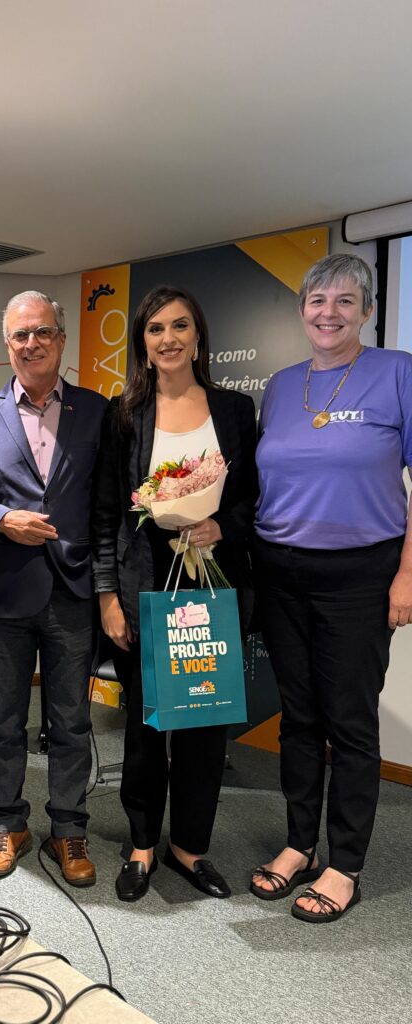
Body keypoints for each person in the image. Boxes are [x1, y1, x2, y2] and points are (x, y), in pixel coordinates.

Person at [250, 253, 412, 922]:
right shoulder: (282, 385)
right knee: (299, 716)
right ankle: (299, 844)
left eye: (346, 301)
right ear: (302, 311)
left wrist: (408, 573)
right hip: (280, 569)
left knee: (348, 720)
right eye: (318, 300)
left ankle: (344, 863)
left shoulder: (398, 372)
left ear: (367, 312)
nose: (329, 312)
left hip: (360, 573)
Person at [92, 285, 257, 902]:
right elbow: (107, 511)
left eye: (180, 325)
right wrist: (107, 597)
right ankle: (141, 843)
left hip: (214, 578)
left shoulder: (234, 410)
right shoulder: (123, 414)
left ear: (198, 335)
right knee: (145, 722)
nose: (169, 338)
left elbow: (252, 497)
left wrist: (221, 526)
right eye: (156, 328)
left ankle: (189, 846)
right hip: (145, 581)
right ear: (142, 341)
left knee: (205, 724)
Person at [0, 290, 107, 886]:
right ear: (7, 343)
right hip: (8, 593)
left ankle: (69, 828)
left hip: (73, 590)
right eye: (21, 334)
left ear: (62, 340)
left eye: (43, 332)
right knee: (3, 720)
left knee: (71, 721)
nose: (32, 343)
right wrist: (2, 520)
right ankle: (7, 823)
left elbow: (106, 504)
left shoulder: (97, 412)